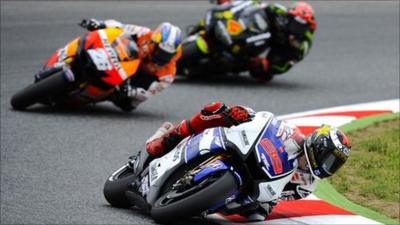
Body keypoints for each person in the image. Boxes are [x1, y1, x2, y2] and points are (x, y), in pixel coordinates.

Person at [143, 101, 351, 221]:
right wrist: (244, 114)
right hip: (248, 154)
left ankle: (200, 199)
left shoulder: (307, 185)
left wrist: (263, 205)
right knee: (216, 110)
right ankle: (169, 138)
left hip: (256, 187)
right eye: (329, 158)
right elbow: (264, 121)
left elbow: (277, 199)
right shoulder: (291, 134)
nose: (327, 165)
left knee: (257, 216)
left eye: (334, 164)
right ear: (319, 146)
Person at [35, 19, 182, 111]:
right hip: (122, 58)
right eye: (160, 51)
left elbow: (150, 91)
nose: (161, 57)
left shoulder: (169, 72)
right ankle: (61, 61)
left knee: (127, 104)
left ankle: (91, 96)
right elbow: (120, 27)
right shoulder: (144, 33)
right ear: (153, 41)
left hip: (134, 81)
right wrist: (100, 24)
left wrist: (133, 92)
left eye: (167, 55)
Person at [190, 0, 317, 82]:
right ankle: (199, 28)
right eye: (294, 21)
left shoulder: (303, 43)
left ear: (308, 26)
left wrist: (268, 65)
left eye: (301, 25)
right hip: (260, 31)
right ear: (289, 14)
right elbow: (256, 4)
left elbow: (287, 63)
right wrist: (230, 5)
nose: (296, 27)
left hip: (277, 48)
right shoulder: (279, 11)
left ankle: (224, 67)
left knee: (262, 73)